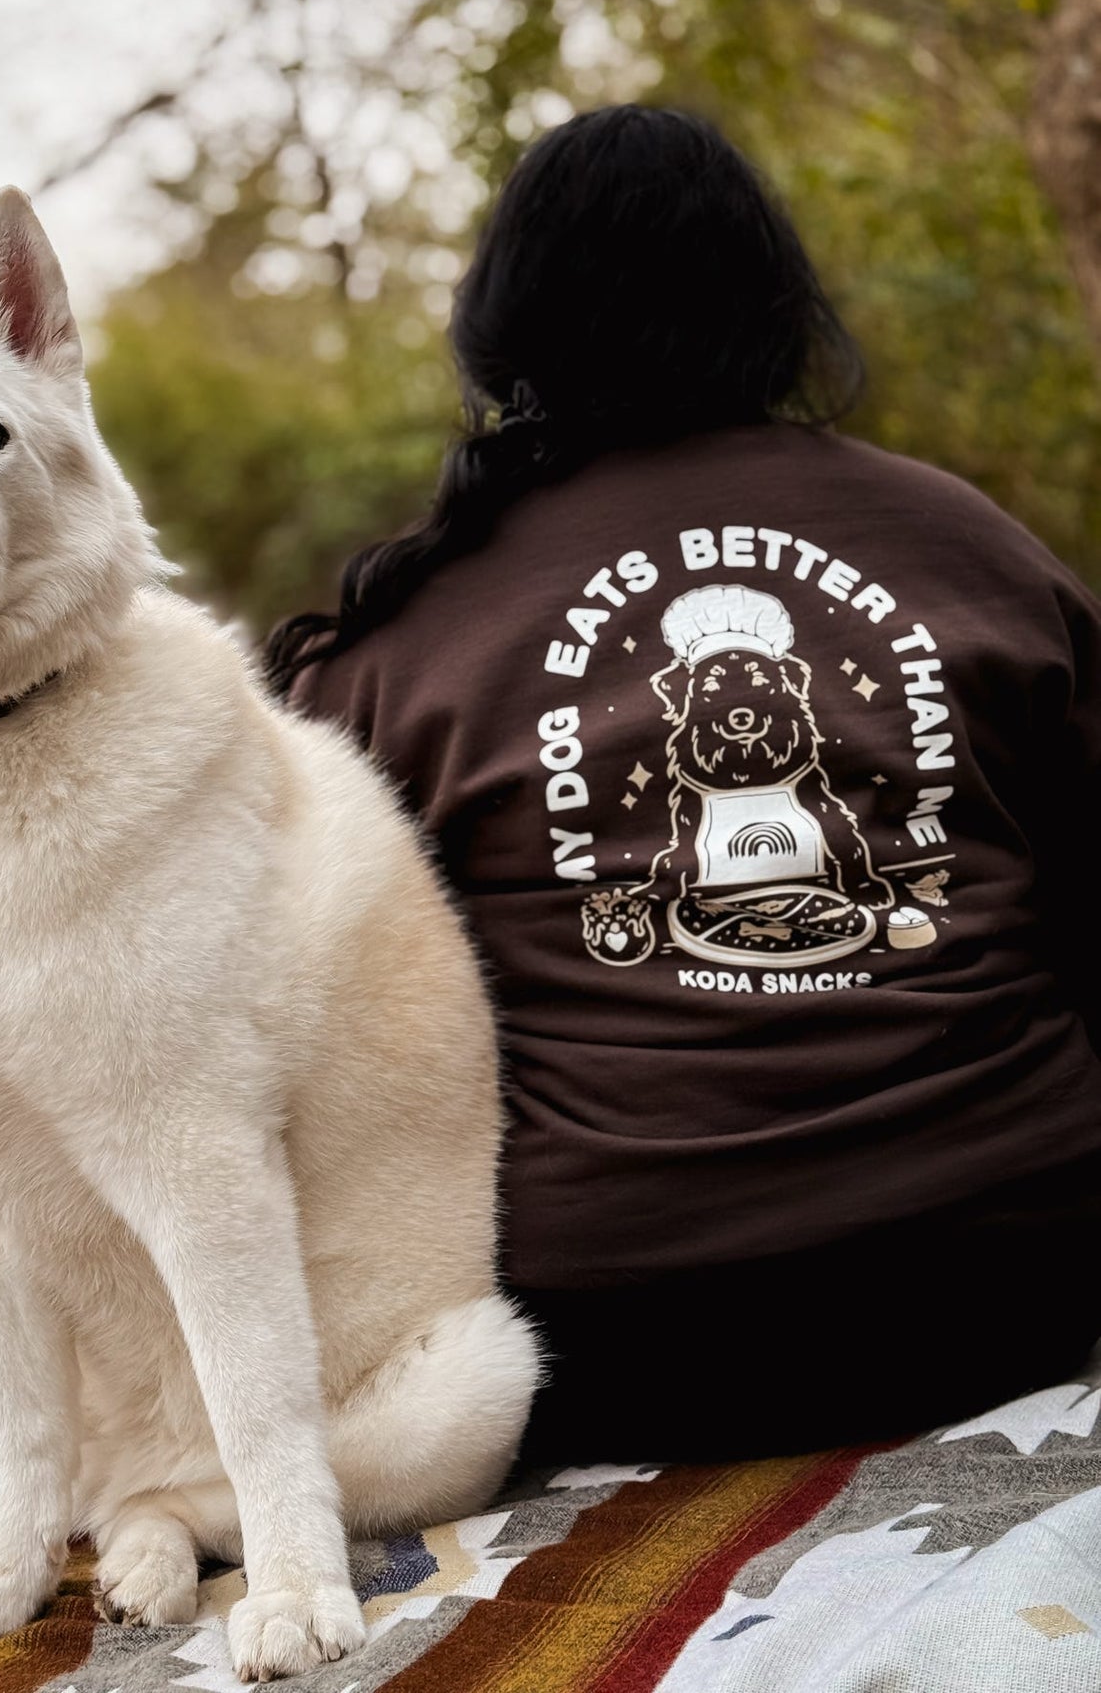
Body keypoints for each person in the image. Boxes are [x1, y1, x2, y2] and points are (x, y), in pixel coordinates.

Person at [265, 104, 1101, 1463]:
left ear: (501, 329)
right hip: (1007, 1287)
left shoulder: (392, 647)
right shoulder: (972, 547)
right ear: (775, 307)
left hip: (614, 1338)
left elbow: (311, 1055)